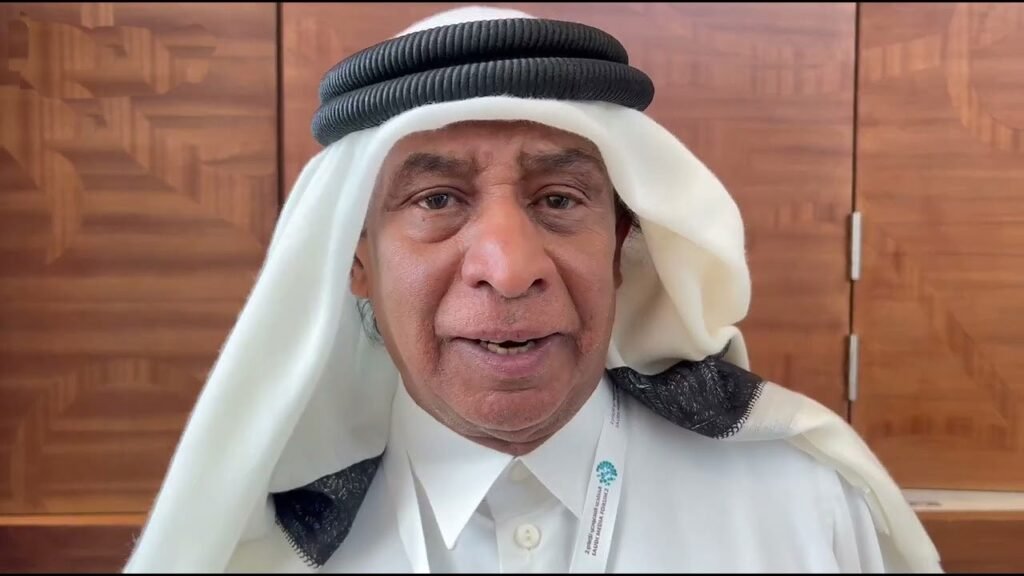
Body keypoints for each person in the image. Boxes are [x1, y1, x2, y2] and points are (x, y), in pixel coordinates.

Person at [123, 6, 942, 574]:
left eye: (559, 199)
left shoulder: (804, 505)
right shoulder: (261, 550)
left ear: (621, 244)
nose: (510, 269)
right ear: (356, 260)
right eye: (436, 201)